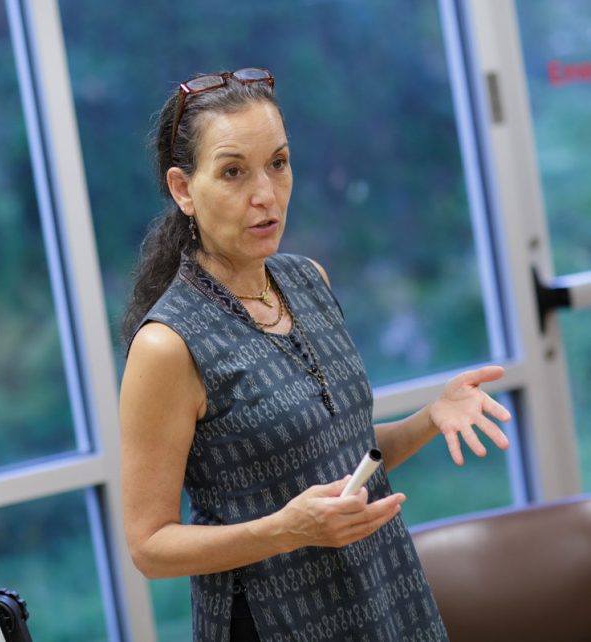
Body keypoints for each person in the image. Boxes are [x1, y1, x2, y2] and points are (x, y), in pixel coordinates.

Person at [117, 68, 513, 642]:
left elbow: (342, 464)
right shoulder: (167, 345)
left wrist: (432, 416)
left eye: (278, 163)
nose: (266, 195)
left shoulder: (307, 280)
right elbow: (150, 547)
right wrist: (285, 529)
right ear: (183, 190)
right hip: (274, 621)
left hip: (383, 594)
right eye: (233, 172)